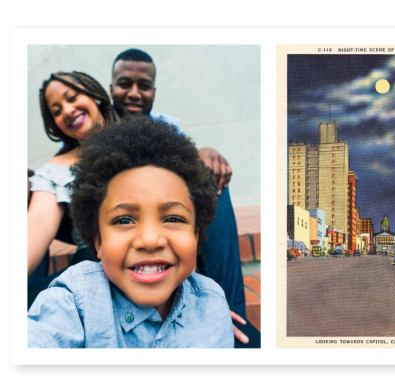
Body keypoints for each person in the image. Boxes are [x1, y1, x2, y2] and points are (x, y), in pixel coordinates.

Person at [28, 116, 234, 348]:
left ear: (195, 236)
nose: (149, 240)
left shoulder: (212, 304)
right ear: (98, 241)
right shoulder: (74, 301)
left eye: (173, 218)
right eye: (124, 219)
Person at [110, 49, 251, 328]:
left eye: (145, 86)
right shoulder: (96, 125)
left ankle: (231, 314)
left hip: (166, 215)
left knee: (211, 183)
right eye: (125, 84)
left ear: (154, 90)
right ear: (111, 87)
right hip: (124, 223)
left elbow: (187, 163)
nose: (135, 93)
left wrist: (206, 153)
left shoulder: (166, 126)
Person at [28, 71, 118, 280]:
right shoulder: (54, 171)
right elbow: (37, 226)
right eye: (57, 111)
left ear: (93, 94)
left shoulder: (143, 137)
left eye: (72, 97)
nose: (67, 110)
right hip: (92, 274)